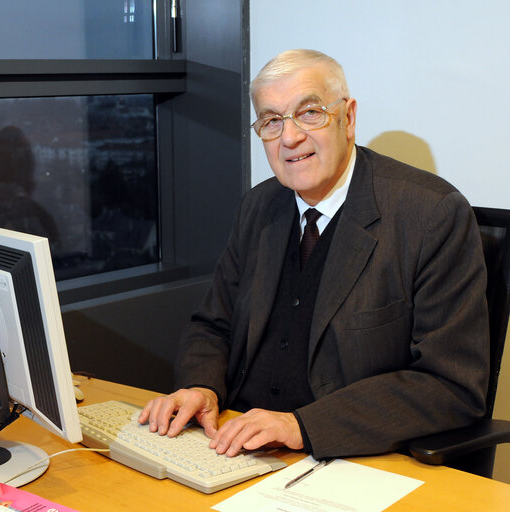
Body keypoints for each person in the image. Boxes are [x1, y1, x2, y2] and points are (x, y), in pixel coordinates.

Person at [139, 49, 489, 460]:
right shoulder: (259, 206)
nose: (289, 138)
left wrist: (300, 426)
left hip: (348, 458)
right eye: (271, 121)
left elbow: (451, 385)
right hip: (235, 445)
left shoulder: (430, 214)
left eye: (309, 113)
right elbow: (214, 326)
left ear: (348, 118)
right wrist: (203, 387)